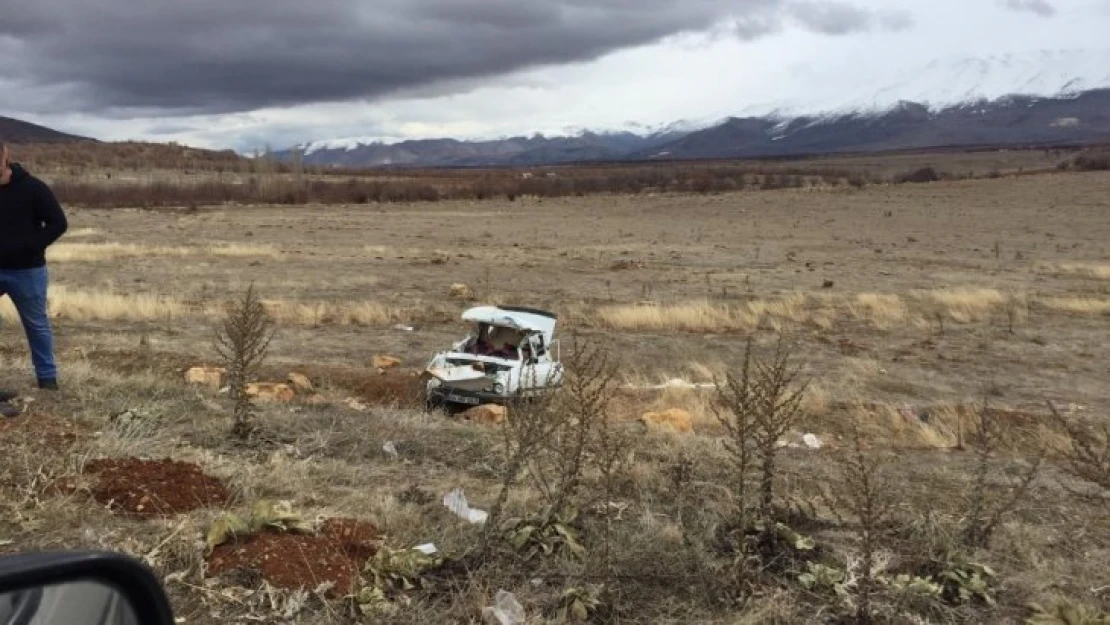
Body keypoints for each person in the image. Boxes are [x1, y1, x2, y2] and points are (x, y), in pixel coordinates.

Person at [0, 141, 67, 398]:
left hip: (27, 271)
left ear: (4, 155)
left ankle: (47, 379)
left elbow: (58, 223)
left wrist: (31, 245)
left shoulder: (33, 188)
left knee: (36, 324)